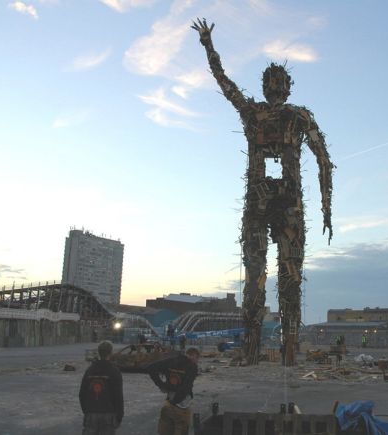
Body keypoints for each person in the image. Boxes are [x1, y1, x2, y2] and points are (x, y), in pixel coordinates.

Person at [192, 18, 334, 366]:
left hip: (277, 203)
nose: (275, 87)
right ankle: (268, 348)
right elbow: (324, 162)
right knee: (267, 277)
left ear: (282, 86)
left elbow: (323, 160)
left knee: (280, 277)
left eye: (277, 81)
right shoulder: (285, 116)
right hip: (277, 203)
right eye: (274, 82)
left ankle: (276, 349)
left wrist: (209, 47)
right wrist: (328, 208)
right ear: (283, 87)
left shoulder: (281, 116)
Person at [148, 347, 200, 435]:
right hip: (181, 406)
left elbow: (151, 368)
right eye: (197, 359)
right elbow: (185, 388)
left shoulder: (171, 361)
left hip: (168, 404)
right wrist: (175, 401)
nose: (197, 362)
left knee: (165, 431)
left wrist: (161, 384)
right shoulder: (192, 366)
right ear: (193, 356)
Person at [79, 341, 124, 435]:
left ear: (99, 352)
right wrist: (119, 416)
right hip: (109, 414)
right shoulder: (114, 371)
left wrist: (87, 410)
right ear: (110, 353)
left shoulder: (90, 370)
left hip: (91, 413)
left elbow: (82, 394)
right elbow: (118, 396)